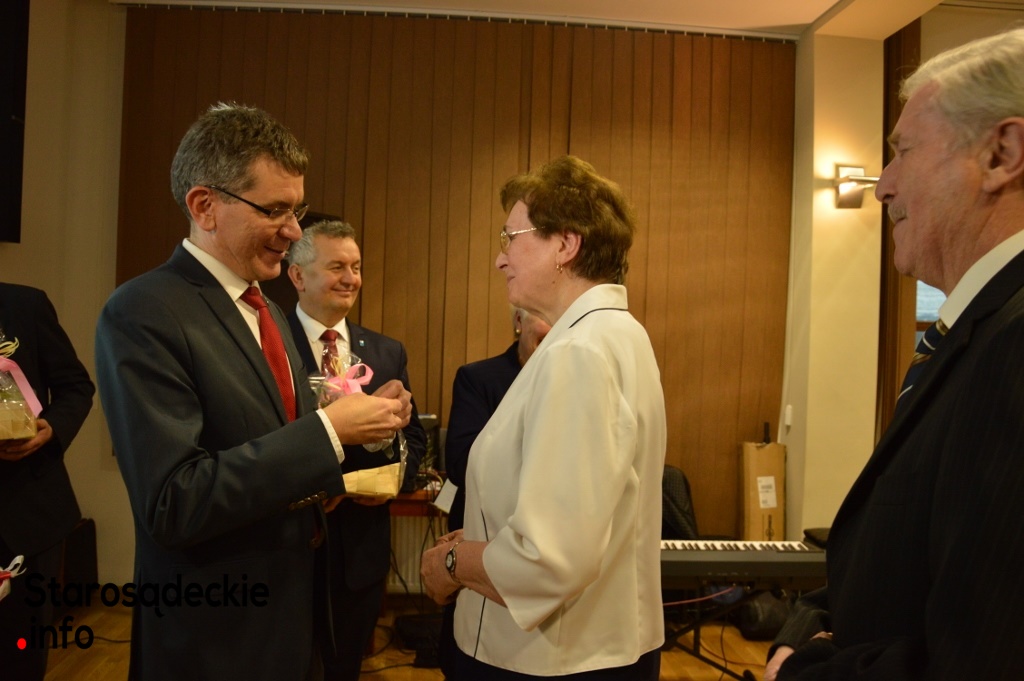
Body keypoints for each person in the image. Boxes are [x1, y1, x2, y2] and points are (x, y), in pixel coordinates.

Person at [94, 102, 412, 681]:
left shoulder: (263, 307)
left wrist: (354, 423)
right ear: (204, 206)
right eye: (275, 210)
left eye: (297, 210)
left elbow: (272, 443)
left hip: (295, 619)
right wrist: (328, 432)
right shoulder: (145, 311)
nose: (293, 232)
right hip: (216, 639)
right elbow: (173, 502)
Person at [764, 27, 1024, 681]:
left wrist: (799, 674)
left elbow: (983, 653)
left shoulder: (1015, 345)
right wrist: (802, 630)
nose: (882, 186)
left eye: (903, 151)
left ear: (1003, 153)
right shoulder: (973, 333)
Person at [420, 155, 667, 679]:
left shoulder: (578, 352)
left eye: (510, 238)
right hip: (591, 648)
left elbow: (548, 559)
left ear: (565, 245)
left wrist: (453, 564)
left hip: (550, 661)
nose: (500, 259)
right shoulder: (615, 333)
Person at [284, 218, 427, 681]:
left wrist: (384, 485)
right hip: (287, 550)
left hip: (360, 554)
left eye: (357, 267)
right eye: (337, 267)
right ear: (298, 275)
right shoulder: (269, 345)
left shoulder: (386, 353)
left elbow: (415, 441)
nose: (351, 278)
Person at [438, 306, 550, 678]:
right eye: (541, 316)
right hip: (483, 541)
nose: (552, 327)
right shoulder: (479, 378)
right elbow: (461, 463)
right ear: (518, 322)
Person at [0, 283, 94, 680]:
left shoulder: (25, 304)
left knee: (22, 653)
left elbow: (76, 388)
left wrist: (50, 429)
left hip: (28, 517)